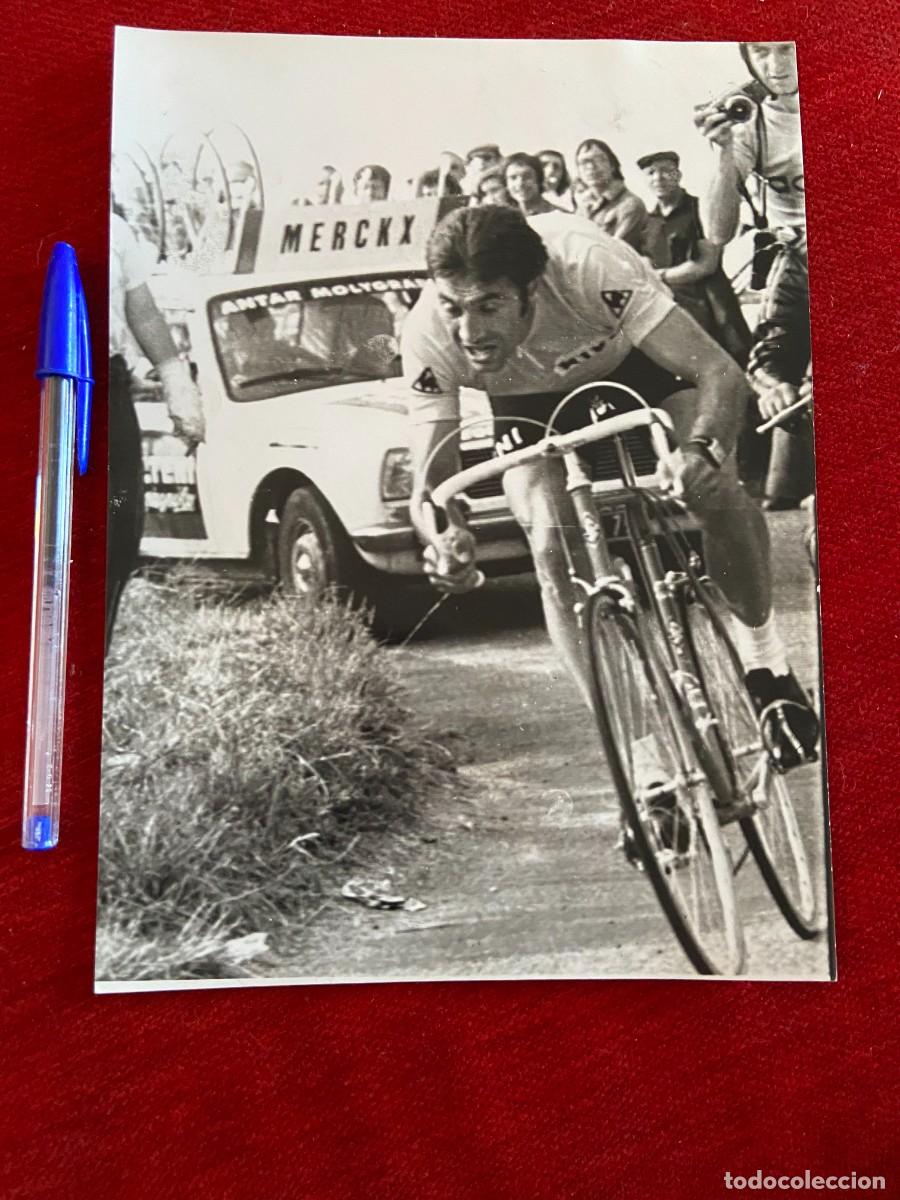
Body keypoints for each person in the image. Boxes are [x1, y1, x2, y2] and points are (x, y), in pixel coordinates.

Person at [402, 205, 819, 785]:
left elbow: (718, 373)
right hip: (527, 408)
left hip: (635, 365)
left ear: (530, 289)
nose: (469, 333)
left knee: (715, 491)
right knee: (550, 541)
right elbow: (432, 481)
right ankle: (642, 754)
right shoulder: (427, 332)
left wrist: (702, 453)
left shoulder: (584, 261)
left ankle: (767, 668)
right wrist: (443, 536)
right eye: (453, 308)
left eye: (489, 306)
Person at [694, 41, 813, 510]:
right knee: (778, 381)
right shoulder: (752, 120)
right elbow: (716, 231)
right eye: (762, 52)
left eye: (787, 49)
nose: (776, 66)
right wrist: (721, 152)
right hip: (800, 262)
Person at [108, 213, 205, 648]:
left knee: (119, 531)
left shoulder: (112, 227)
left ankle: (92, 666)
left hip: (103, 382)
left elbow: (142, 311)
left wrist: (176, 384)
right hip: (26, 382)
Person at [637, 150, 751, 363]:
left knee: (733, 363)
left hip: (711, 306)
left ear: (678, 175)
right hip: (674, 310)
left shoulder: (702, 209)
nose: (658, 178)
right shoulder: (647, 222)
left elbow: (706, 265)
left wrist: (657, 276)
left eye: (665, 171)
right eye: (651, 173)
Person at [574, 139, 647, 250]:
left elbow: (615, 251)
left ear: (612, 165)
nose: (591, 167)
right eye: (584, 163)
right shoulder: (583, 206)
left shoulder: (630, 205)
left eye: (599, 159)